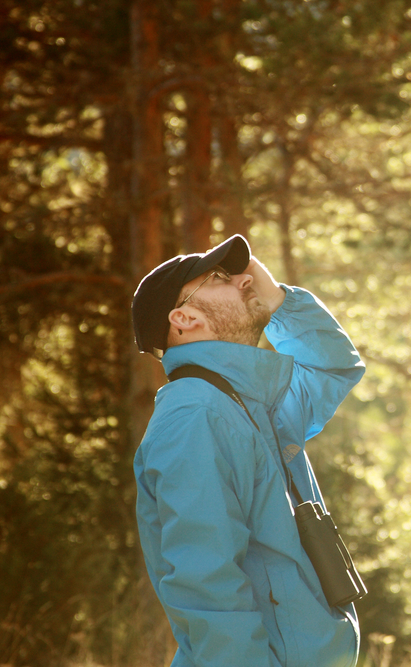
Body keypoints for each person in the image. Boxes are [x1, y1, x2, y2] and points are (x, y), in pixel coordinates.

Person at [130, 234, 365, 667]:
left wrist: (277, 300)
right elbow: (206, 585)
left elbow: (335, 366)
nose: (243, 280)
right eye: (220, 277)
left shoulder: (251, 404)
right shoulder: (196, 416)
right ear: (184, 318)